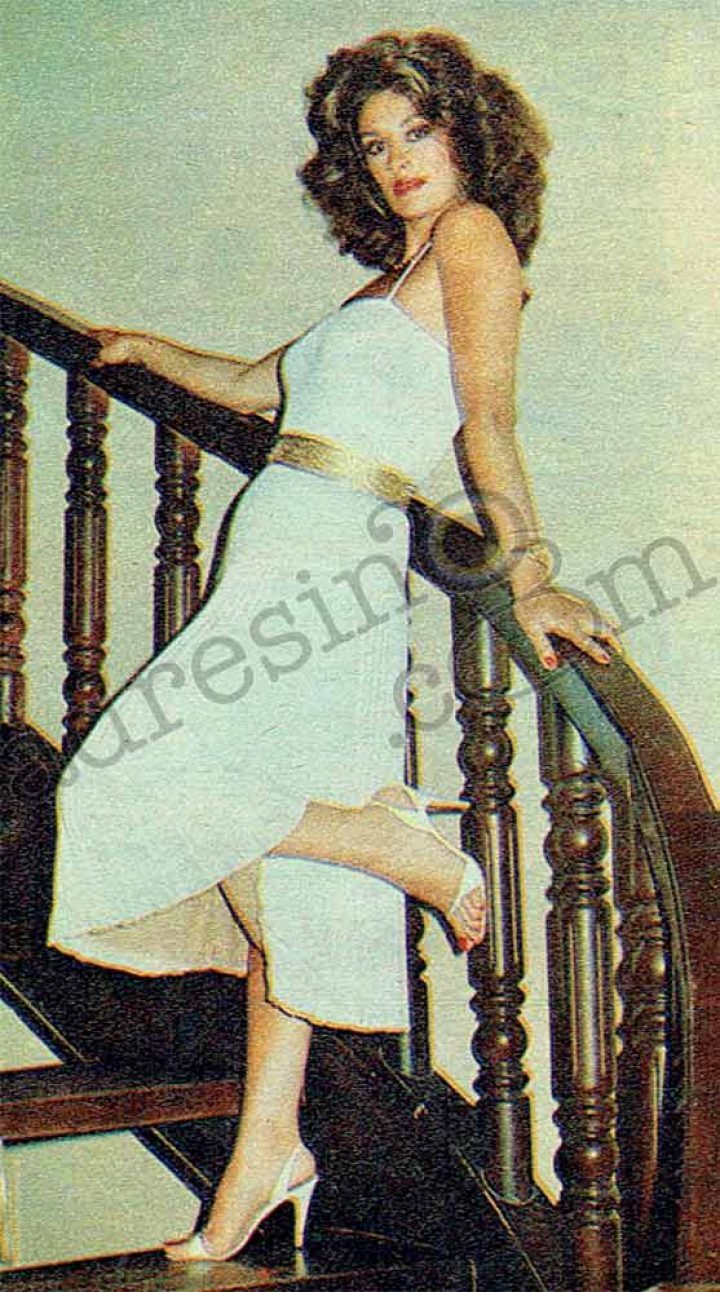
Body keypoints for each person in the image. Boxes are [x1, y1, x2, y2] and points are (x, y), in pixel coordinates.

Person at [47, 29, 619, 1263]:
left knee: (120, 775)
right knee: (286, 890)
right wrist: (152, 351)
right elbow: (259, 384)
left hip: (329, 560)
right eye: (374, 144)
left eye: (420, 130)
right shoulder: (389, 277)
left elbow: (487, 426)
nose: (399, 159)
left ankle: (398, 845)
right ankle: (266, 1153)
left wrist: (531, 577)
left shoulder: (472, 237)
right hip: (285, 549)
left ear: (467, 134)